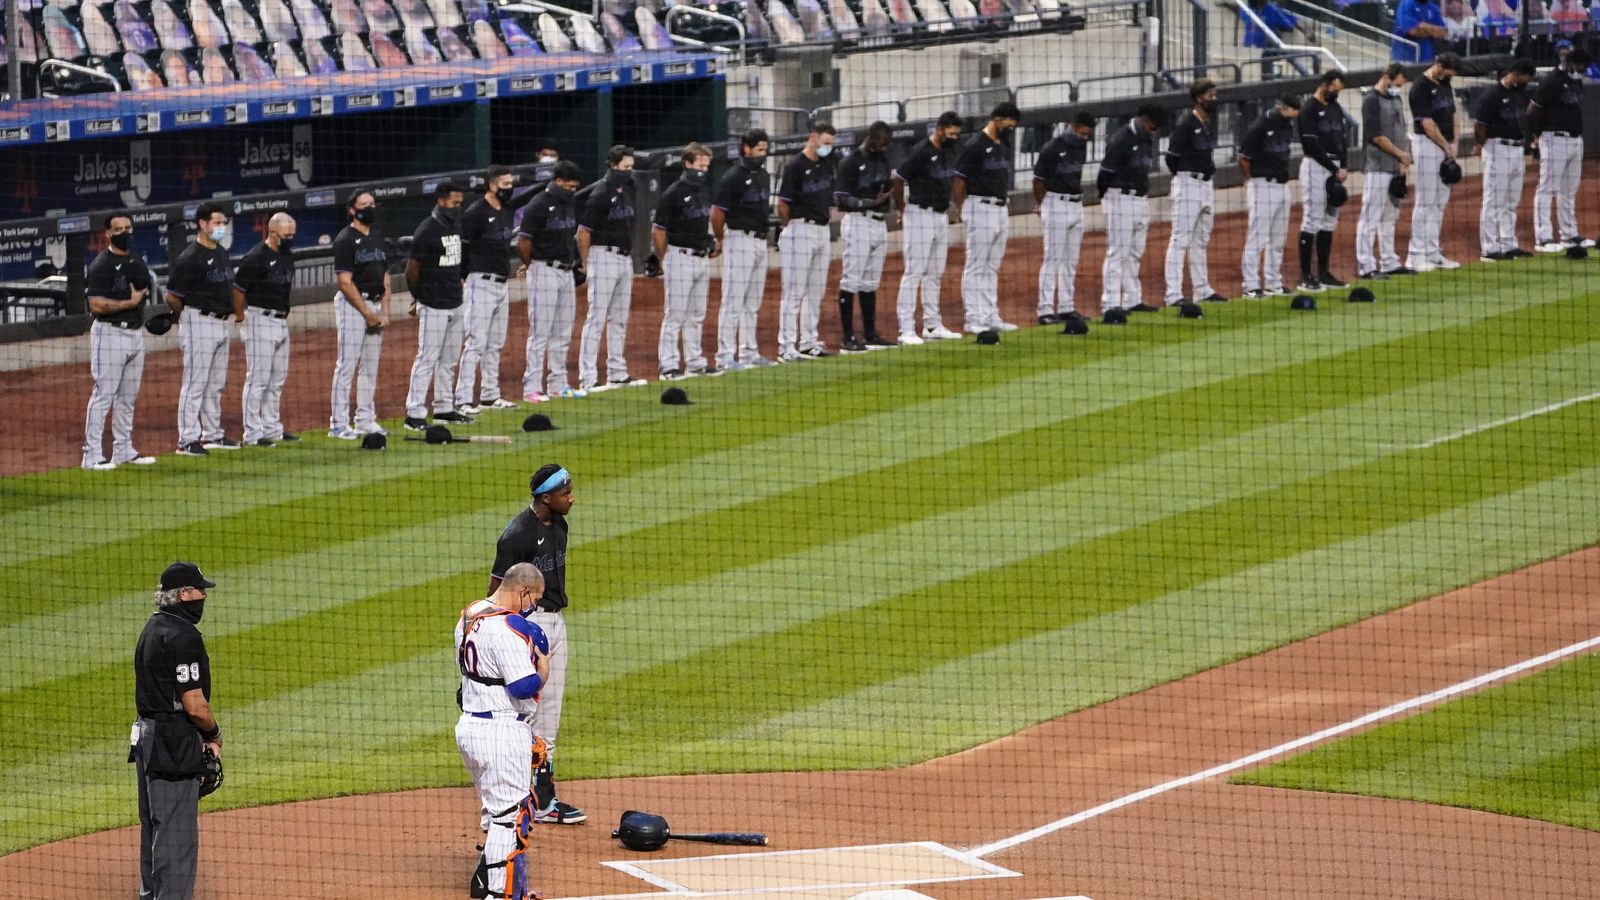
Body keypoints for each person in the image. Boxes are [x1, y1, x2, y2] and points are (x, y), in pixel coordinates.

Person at [489, 464, 585, 826]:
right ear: (546, 498)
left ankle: (543, 798)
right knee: (525, 709)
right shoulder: (516, 536)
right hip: (527, 623)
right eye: (565, 493)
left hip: (556, 621)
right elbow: (498, 587)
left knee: (550, 714)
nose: (572, 498)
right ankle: (513, 795)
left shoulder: (559, 525)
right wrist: (489, 630)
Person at [456, 562, 551, 900]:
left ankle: (502, 886)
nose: (532, 607)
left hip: (470, 726)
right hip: (499, 732)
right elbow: (524, 686)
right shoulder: (507, 630)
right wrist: (544, 668)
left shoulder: (469, 615)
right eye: (533, 598)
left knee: (501, 812)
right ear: (523, 591)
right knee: (510, 817)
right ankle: (498, 893)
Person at [130, 561, 223, 900]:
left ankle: (150, 894)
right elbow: (194, 703)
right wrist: (213, 734)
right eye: (200, 590)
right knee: (177, 831)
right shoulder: (183, 636)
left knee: (154, 823)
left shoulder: (153, 627)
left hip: (147, 735)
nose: (203, 596)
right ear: (184, 594)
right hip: (172, 741)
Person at [457, 166, 534, 414]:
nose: (509, 189)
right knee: (476, 342)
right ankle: (463, 398)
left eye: (511, 184)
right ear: (492, 185)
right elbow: (463, 247)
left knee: (496, 344)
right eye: (504, 184)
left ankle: (490, 396)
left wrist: (548, 185)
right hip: (480, 282)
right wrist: (462, 277)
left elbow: (525, 197)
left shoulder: (507, 209)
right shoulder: (475, 213)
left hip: (502, 284)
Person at [167, 201, 240, 457]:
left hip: (221, 323)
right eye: (217, 222)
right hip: (199, 322)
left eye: (223, 223)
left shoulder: (221, 252)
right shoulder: (190, 257)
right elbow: (172, 296)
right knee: (195, 383)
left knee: (215, 383)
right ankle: (186, 440)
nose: (222, 227)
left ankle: (212, 434)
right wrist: (185, 317)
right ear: (202, 224)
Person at [81, 213, 154, 470]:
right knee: (103, 395)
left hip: (135, 334)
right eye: (118, 229)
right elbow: (96, 304)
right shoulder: (101, 265)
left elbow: (145, 286)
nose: (124, 232)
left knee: (127, 397)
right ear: (108, 234)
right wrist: (129, 303)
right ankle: (91, 455)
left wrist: (137, 303)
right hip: (110, 334)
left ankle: (123, 450)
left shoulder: (136, 260)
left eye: (128, 228)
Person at [405, 181, 474, 430]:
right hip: (433, 305)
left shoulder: (455, 224)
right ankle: (414, 413)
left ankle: (444, 408)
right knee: (427, 358)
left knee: (449, 359)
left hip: (456, 302)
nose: (458, 207)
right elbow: (411, 271)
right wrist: (419, 298)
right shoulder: (427, 230)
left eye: (460, 203)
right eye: (455, 203)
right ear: (441, 201)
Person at [576, 145, 644, 391]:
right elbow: (583, 232)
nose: (630, 171)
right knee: (597, 318)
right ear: (613, 166)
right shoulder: (600, 193)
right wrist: (585, 263)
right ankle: (588, 378)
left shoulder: (629, 187)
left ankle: (617, 372)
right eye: (626, 167)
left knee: (620, 318)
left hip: (624, 259)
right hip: (603, 256)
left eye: (631, 166)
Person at [891, 111, 964, 343]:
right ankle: (906, 329)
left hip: (940, 216)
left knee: (934, 273)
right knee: (914, 272)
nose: (954, 137)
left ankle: (932, 326)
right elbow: (897, 179)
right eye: (951, 133)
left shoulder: (950, 150)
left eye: (956, 134)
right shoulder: (921, 151)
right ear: (940, 129)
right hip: (919, 215)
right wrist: (902, 209)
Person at [519, 161, 586, 401]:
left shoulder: (569, 203)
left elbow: (569, 238)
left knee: (563, 332)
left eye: (575, 186)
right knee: (541, 332)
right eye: (568, 185)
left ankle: (558, 385)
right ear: (557, 181)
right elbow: (523, 241)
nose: (572, 189)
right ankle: (531, 388)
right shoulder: (538, 204)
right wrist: (531, 266)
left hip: (565, 272)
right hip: (543, 270)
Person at [953, 101, 1022, 334]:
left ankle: (990, 315)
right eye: (1009, 125)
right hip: (979, 207)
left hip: (1001, 209)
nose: (1011, 129)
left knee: (992, 266)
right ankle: (973, 319)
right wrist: (963, 209)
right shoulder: (974, 145)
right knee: (976, 265)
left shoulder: (1004, 143)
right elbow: (959, 180)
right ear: (997, 119)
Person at [329, 191, 391, 439]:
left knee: (370, 367)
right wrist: (367, 313)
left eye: (372, 204)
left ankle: (366, 420)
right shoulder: (345, 239)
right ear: (352, 210)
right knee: (347, 365)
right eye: (364, 205)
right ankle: (338, 424)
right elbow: (345, 282)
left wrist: (385, 310)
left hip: (376, 304)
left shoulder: (376, 236)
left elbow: (385, 276)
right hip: (353, 306)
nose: (370, 208)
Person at [653, 143, 717, 380]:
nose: (703, 171)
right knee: (675, 314)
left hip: (700, 259)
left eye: (706, 166)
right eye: (700, 165)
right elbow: (658, 230)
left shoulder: (703, 191)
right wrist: (665, 258)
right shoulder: (673, 193)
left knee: (697, 313)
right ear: (687, 164)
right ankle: (668, 366)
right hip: (679, 257)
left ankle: (694, 362)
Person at [233, 212, 298, 448]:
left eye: (293, 234)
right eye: (287, 235)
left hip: (281, 322)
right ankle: (252, 434)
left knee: (277, 380)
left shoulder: (287, 256)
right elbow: (238, 290)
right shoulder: (256, 257)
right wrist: (241, 318)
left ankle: (272, 429)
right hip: (260, 319)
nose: (291, 239)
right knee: (258, 380)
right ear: (272, 233)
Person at [713, 129, 775, 369]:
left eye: (765, 150)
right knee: (733, 300)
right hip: (739, 240)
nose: (763, 154)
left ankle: (749, 352)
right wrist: (721, 239)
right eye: (759, 149)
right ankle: (724, 356)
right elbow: (718, 213)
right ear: (746, 149)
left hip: (760, 242)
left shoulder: (764, 175)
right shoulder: (733, 176)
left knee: (752, 302)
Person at [776, 122, 838, 360]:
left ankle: (809, 341)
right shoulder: (795, 166)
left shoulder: (825, 164)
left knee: (816, 290)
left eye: (831, 144)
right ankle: (786, 346)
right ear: (813, 138)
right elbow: (783, 204)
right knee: (794, 291)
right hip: (800, 229)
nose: (828, 148)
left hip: (822, 231)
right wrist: (790, 228)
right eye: (825, 143)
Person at [1096, 104, 1164, 317]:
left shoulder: (1146, 137)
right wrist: (1109, 200)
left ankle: (1132, 300)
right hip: (1120, 198)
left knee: (1135, 251)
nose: (1154, 130)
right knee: (1117, 252)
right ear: (1144, 119)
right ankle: (1110, 304)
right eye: (1153, 126)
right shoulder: (1121, 139)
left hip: (1140, 199)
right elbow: (1104, 174)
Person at [833, 121, 895, 351]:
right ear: (871, 138)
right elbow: (840, 198)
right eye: (881, 143)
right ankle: (848, 337)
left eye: (887, 144)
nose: (884, 148)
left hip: (879, 224)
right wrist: (871, 202)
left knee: (870, 281)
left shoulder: (883, 160)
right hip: (857, 223)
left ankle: (870, 334)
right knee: (851, 279)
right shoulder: (850, 162)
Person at [1162, 83, 1225, 309]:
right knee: (1180, 240)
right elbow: (1171, 158)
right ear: (1198, 98)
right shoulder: (1185, 124)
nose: (1214, 98)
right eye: (1211, 94)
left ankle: (1202, 290)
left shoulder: (1205, 123)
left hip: (1205, 186)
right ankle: (1173, 294)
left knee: (1200, 241)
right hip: (1188, 184)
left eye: (1215, 94)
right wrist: (1185, 179)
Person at [1032, 112, 1095, 323]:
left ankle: (1067, 307)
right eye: (1083, 133)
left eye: (1088, 134)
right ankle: (1045, 310)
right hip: (1055, 204)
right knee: (1053, 259)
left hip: (1076, 205)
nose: (1085, 137)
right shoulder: (1052, 148)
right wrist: (1043, 205)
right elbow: (1038, 181)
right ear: (1073, 126)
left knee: (1071, 261)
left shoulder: (1081, 146)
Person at [1355, 64, 1415, 280]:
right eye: (1396, 84)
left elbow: (1403, 130)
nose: (1398, 88)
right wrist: (1401, 154)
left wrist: (1404, 157)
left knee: (1390, 217)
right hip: (1378, 167)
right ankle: (1366, 266)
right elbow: (1376, 137)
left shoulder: (1396, 99)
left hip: (1395, 167)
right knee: (1370, 216)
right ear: (1385, 78)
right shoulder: (1371, 100)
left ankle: (1389, 262)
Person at [1239, 95, 1301, 298]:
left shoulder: (1286, 126)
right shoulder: (1260, 126)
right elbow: (1243, 158)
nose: (1294, 117)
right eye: (1292, 111)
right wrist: (1252, 181)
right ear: (1282, 108)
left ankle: (1273, 282)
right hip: (1262, 185)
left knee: (1278, 238)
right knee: (1257, 237)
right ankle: (1250, 285)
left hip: (1282, 186)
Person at [1531, 47, 1592, 253]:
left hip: (1575, 140)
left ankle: (1569, 235)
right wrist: (1537, 137)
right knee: (1547, 188)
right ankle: (1544, 238)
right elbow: (1534, 109)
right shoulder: (1552, 81)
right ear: (1569, 63)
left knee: (1569, 190)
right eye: (1579, 65)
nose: (1581, 69)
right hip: (1554, 138)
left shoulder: (1575, 81)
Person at [1474, 60, 1536, 261]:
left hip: (1516, 150)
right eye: (1525, 78)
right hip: (1497, 149)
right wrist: (1487, 147)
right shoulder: (1492, 95)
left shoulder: (1518, 93)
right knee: (1493, 200)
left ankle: (1508, 244)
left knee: (1511, 200)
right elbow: (1480, 126)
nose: (1526, 82)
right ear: (1515, 73)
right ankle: (1490, 249)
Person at [1406, 51, 1462, 272]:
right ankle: (1415, 256)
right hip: (1428, 146)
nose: (1450, 76)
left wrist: (1455, 143)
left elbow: (1453, 114)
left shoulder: (1446, 83)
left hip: (1446, 147)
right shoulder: (1419, 87)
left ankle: (1433, 252)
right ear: (1438, 65)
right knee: (1425, 202)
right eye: (1447, 71)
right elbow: (1427, 124)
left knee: (1440, 202)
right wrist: (1446, 146)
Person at [1297, 69, 1351, 291]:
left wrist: (1344, 166)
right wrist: (1332, 168)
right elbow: (1311, 145)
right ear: (1324, 84)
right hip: (1316, 167)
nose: (1335, 95)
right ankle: (1305, 276)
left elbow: (1343, 139)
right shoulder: (1308, 110)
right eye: (1334, 90)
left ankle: (1323, 272)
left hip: (1335, 167)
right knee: (1312, 219)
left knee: (1330, 221)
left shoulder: (1336, 108)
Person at [1241, 0, 1301, 76]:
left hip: (1255, 48)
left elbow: (1288, 25)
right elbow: (1288, 25)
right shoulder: (1270, 9)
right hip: (1258, 48)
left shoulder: (1246, 8)